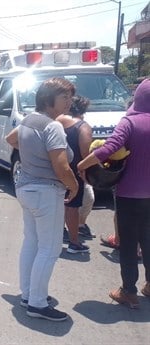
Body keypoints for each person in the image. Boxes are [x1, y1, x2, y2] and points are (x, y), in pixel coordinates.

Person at [5, 77, 78, 322]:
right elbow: (61, 166)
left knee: (33, 242)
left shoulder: (28, 121)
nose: (69, 102)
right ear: (49, 99)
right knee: (50, 248)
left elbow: (11, 139)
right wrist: (74, 185)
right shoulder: (52, 126)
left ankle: (28, 295)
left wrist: (31, 156)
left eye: (70, 97)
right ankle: (37, 303)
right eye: (64, 97)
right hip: (46, 192)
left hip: (26, 189)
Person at [77, 78, 150, 309]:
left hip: (129, 195)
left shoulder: (130, 122)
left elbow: (109, 148)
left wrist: (82, 166)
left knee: (128, 244)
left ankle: (128, 292)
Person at [56, 96, 93, 253]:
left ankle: (58, 235)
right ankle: (74, 242)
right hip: (75, 172)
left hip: (57, 168)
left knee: (61, 203)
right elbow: (86, 154)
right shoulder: (83, 127)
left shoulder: (57, 120)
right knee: (73, 207)